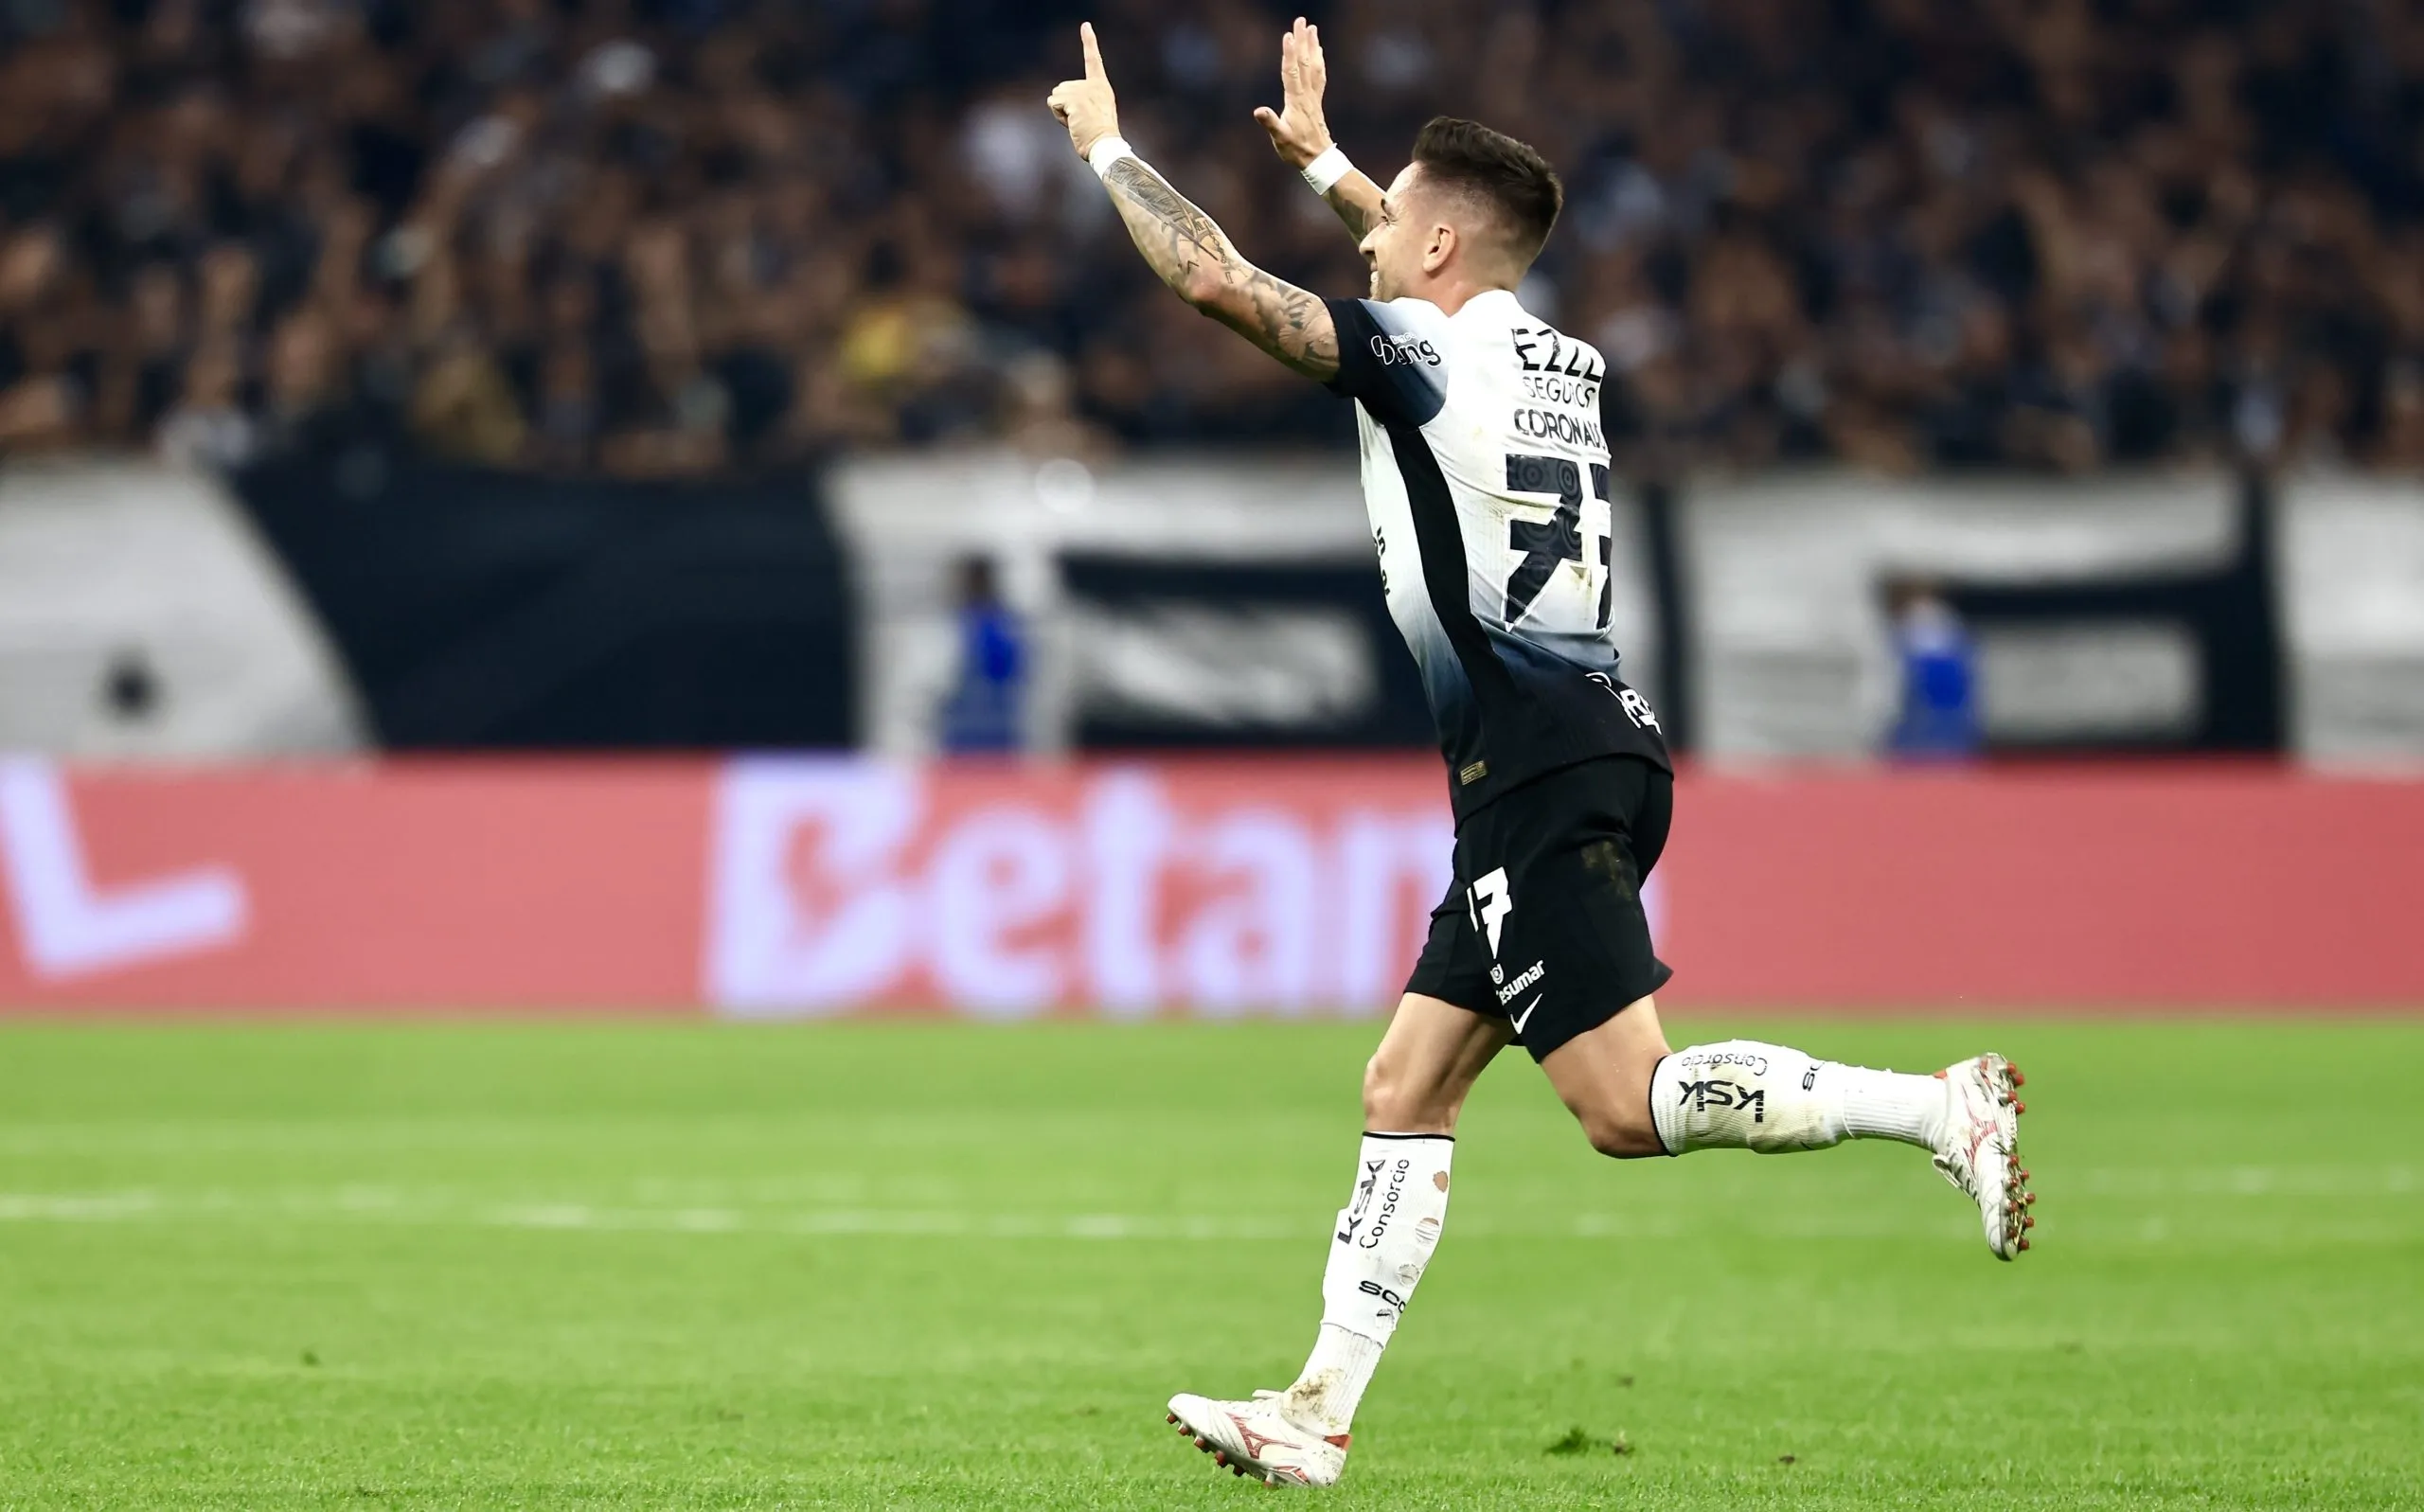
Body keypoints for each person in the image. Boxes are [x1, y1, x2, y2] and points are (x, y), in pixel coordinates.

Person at [1046, 18, 2035, 1489]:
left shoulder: (1425, 354)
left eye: (1395, 232)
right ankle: (1315, 1412)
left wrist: (1108, 150)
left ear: (1441, 250)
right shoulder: (1551, 352)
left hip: (1534, 766)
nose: (1372, 252)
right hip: (1587, 748)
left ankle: (1936, 1109)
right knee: (1407, 1085)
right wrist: (1325, 161)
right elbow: (1422, 243)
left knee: (1625, 1109)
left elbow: (1215, 282)